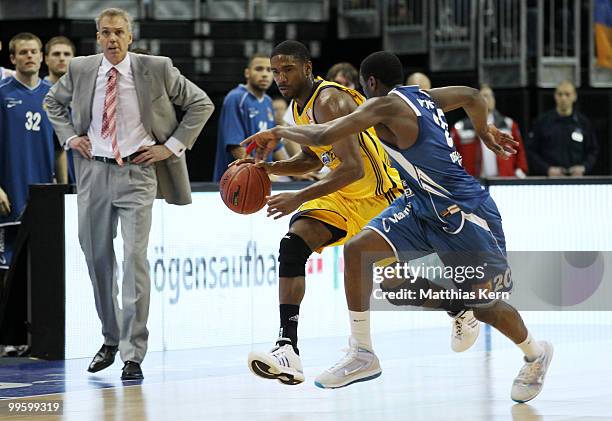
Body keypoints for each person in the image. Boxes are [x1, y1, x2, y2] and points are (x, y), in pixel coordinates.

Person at [244, 51, 553, 403]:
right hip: (419, 203)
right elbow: (471, 96)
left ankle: (534, 352)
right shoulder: (422, 96)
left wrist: (278, 130)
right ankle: (362, 352)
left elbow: (326, 132)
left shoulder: (384, 106)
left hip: (465, 212)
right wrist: (483, 131)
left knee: (485, 307)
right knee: (358, 251)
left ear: (370, 83)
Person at [44, 7, 214, 380]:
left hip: (138, 173)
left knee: (134, 259)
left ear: (130, 36)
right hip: (93, 173)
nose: (112, 39)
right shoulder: (81, 68)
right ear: (98, 37)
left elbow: (201, 103)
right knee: (97, 259)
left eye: (119, 32)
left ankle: (133, 354)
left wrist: (170, 147)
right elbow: (52, 103)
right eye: (105, 33)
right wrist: (71, 137)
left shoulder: (157, 67)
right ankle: (109, 338)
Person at [0, 33, 56, 223]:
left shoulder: (54, 95)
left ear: (42, 57)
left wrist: (63, 186)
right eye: (23, 52)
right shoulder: (2, 92)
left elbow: (60, 149)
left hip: (45, 187)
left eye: (34, 52)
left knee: (44, 248)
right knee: (11, 249)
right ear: (13, 58)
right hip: (9, 187)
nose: (29, 56)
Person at [213, 53, 290, 182]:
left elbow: (276, 146)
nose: (265, 74)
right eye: (259, 69)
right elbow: (236, 147)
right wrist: (260, 172)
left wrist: (296, 172)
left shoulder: (267, 101)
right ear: (247, 73)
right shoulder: (236, 98)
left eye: (269, 70)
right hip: (236, 179)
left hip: (262, 175)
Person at [451, 84, 528, 178]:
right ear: (475, 100)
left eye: (491, 96)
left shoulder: (508, 124)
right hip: (474, 182)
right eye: (484, 96)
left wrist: (520, 171)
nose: (488, 99)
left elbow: (519, 150)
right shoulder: (461, 127)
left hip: (504, 181)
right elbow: (452, 155)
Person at [527, 80, 598, 176]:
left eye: (567, 94)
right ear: (555, 96)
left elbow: (592, 150)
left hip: (577, 180)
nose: (563, 98)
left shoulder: (583, 123)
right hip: (549, 180)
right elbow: (531, 151)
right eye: (560, 94)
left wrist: (584, 167)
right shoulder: (543, 122)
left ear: (574, 96)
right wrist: (547, 169)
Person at [44, 36, 77, 185]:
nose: (62, 58)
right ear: (45, 59)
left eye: (67, 54)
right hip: (48, 174)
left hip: (81, 173)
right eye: (56, 54)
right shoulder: (39, 94)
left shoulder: (85, 94)